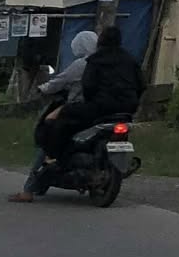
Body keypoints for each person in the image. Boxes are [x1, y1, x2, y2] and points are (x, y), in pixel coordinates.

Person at [7, 30, 95, 203]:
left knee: (47, 135)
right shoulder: (108, 63)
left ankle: (29, 189)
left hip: (77, 108)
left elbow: (59, 82)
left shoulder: (82, 64)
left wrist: (43, 88)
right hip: (106, 111)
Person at [42, 23, 143, 163]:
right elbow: (141, 84)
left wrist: (92, 101)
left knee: (60, 117)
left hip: (100, 107)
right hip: (128, 109)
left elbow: (88, 86)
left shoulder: (95, 60)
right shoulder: (130, 60)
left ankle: (54, 156)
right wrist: (133, 101)